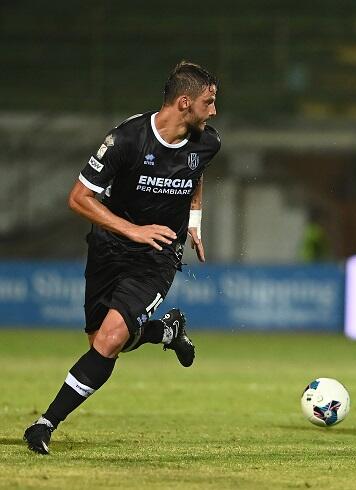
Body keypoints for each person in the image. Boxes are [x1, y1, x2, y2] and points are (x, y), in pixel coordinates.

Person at [23, 61, 221, 455]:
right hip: (110, 246)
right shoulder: (127, 140)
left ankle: (45, 423)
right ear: (184, 102)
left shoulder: (207, 141)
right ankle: (166, 332)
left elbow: (196, 171)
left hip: (158, 253)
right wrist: (132, 230)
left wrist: (194, 220)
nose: (213, 111)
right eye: (208, 102)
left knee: (111, 340)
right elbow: (78, 198)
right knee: (100, 337)